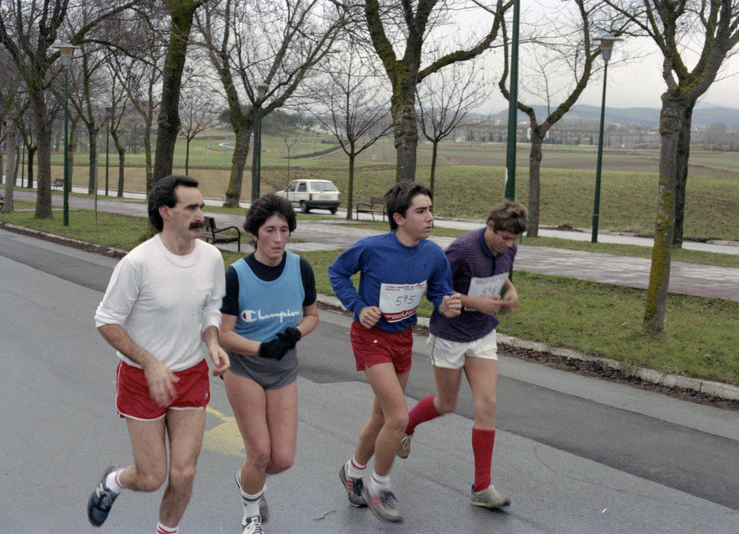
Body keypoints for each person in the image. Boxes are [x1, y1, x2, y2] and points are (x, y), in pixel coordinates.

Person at [89, 175, 230, 533]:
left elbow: (211, 308)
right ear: (166, 212)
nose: (200, 216)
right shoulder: (138, 263)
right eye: (191, 208)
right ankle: (114, 481)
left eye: (201, 207)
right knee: (152, 477)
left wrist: (213, 342)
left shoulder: (211, 257)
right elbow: (106, 320)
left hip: (191, 374)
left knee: (184, 473)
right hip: (141, 379)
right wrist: (150, 363)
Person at [329, 181, 462, 524]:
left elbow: (440, 291)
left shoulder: (433, 253)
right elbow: (337, 272)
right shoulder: (372, 248)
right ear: (399, 218)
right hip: (371, 338)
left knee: (382, 417)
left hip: (403, 338)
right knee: (399, 418)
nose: (430, 217)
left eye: (430, 210)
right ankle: (379, 487)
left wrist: (445, 304)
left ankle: (353, 471)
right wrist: (358, 306)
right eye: (421, 211)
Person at [397, 199, 528, 510]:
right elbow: (433, 288)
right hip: (450, 334)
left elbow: (502, 272)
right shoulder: (462, 248)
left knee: (487, 404)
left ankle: (481, 488)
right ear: (490, 226)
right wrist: (474, 303)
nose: (509, 245)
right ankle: (405, 426)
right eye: (505, 238)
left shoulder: (508, 248)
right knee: (446, 404)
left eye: (514, 240)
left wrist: (510, 291)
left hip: (482, 334)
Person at [219, 193, 319, 534]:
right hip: (244, 368)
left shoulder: (300, 268)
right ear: (255, 233)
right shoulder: (236, 275)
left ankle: (247, 478)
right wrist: (262, 348)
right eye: (269, 230)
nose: (278, 239)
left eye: (284, 230)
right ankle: (251, 515)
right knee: (260, 452)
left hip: (283, 369)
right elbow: (224, 335)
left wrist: (295, 333)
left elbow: (312, 315)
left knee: (282, 459)